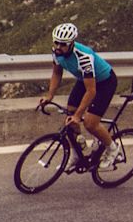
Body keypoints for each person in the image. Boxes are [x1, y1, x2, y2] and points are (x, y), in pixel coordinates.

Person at [43, 22, 119, 150]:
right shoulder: (56, 51)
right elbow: (57, 73)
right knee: (69, 116)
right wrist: (49, 95)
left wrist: (78, 115)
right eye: (56, 42)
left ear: (71, 43)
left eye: (63, 44)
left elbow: (91, 91)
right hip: (84, 79)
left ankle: (113, 149)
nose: (58, 46)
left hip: (104, 82)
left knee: (90, 123)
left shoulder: (84, 57)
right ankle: (77, 151)